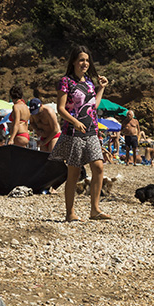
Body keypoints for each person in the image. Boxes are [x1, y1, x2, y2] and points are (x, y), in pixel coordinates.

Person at [49, 46, 111, 222]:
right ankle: (70, 213)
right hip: (73, 132)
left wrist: (101, 88)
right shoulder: (66, 81)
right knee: (74, 174)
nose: (85, 63)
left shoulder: (89, 82)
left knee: (98, 167)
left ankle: (95, 209)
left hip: (91, 130)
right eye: (81, 60)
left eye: (87, 60)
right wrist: (75, 122)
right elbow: (61, 109)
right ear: (74, 62)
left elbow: (94, 106)